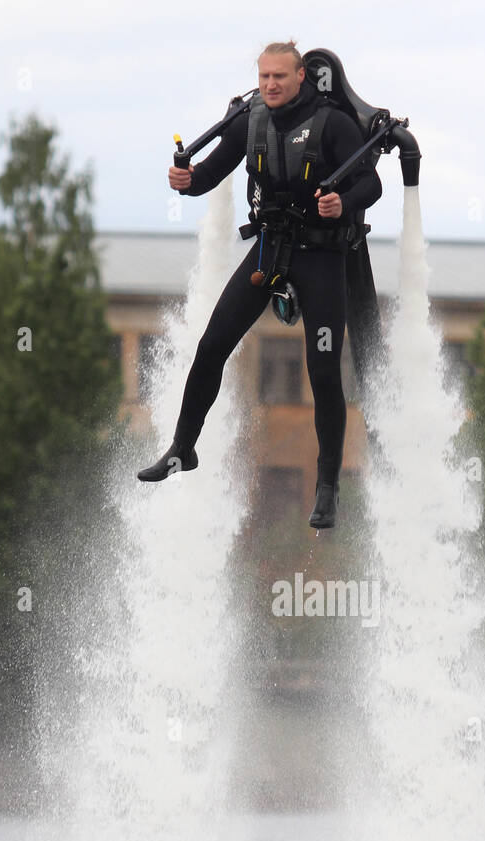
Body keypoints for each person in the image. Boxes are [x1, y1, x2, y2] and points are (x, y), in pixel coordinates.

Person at [137, 40, 383, 529]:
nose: (270, 85)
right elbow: (209, 174)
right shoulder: (252, 121)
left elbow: (371, 184)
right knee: (211, 345)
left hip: (321, 257)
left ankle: (327, 487)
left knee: (324, 372)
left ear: (299, 78)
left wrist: (344, 204)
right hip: (270, 249)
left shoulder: (331, 124)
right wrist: (185, 181)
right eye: (264, 76)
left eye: (280, 77)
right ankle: (182, 448)